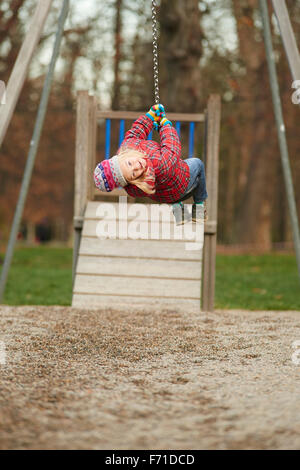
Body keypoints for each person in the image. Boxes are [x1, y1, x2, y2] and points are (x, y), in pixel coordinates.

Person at [94, 104, 207, 225]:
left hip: (166, 194)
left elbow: (136, 131)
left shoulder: (128, 145)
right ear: (132, 181)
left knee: (167, 182)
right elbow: (171, 147)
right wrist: (165, 125)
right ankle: (199, 210)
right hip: (181, 187)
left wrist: (150, 116)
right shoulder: (159, 165)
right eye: (134, 174)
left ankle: (179, 212)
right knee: (198, 164)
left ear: (123, 155)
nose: (137, 167)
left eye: (129, 163)